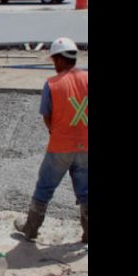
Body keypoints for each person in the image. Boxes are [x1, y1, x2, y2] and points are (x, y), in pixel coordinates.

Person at [14, 37, 88, 243]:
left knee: (45, 186)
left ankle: (31, 229)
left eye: (55, 60)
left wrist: (54, 130)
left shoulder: (52, 84)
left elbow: (47, 116)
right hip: (86, 145)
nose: (54, 65)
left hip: (61, 146)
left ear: (61, 60)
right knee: (86, 189)